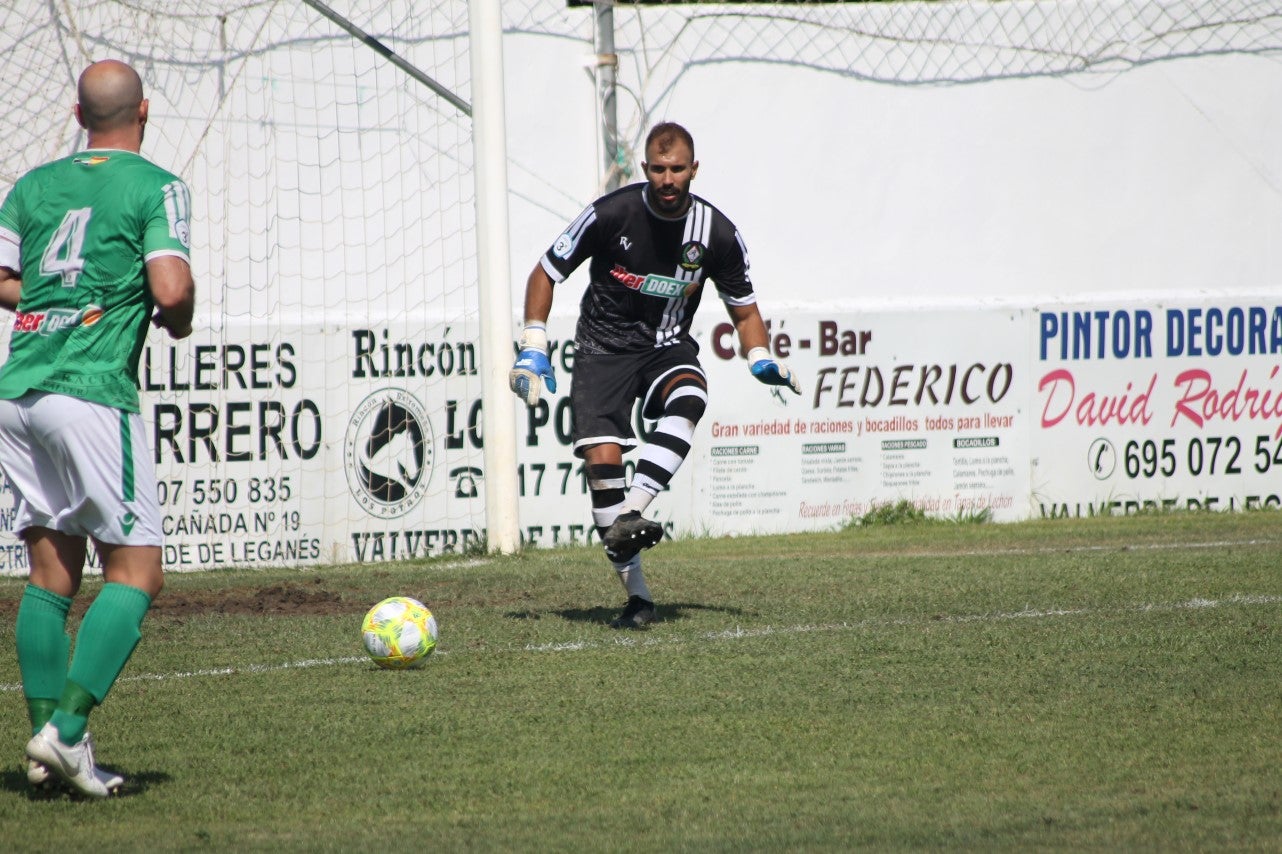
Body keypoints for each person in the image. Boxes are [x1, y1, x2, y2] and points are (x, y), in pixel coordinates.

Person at [510, 121, 799, 630]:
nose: (668, 179)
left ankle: (633, 512)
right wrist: (534, 345)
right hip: (603, 350)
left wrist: (760, 359)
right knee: (603, 466)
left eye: (678, 169)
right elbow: (544, 273)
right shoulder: (610, 213)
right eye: (659, 169)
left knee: (690, 397)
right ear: (646, 170)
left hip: (666, 347)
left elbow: (745, 311)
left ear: (694, 170)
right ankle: (639, 598)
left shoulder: (716, 233)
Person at [0, 59, 195, 797]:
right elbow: (170, 290)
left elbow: (4, 280)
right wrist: (178, 313)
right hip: (87, 389)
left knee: (50, 575)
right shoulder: (156, 186)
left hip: (16, 391)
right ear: (143, 112)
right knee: (137, 571)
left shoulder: (32, 185)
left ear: (79, 117)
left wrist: (60, 296)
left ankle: (39, 752)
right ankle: (66, 732)